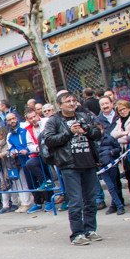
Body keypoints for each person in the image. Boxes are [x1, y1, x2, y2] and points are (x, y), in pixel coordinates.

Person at [41, 91, 103, 245]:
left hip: (88, 162)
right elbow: (48, 139)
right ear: (60, 105)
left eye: (74, 100)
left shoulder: (84, 116)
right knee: (75, 201)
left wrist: (86, 130)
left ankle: (90, 230)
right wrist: (69, 131)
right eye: (68, 101)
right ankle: (77, 234)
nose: (72, 103)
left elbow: (97, 133)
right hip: (69, 165)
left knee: (90, 200)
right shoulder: (54, 120)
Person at [95, 95, 126, 215]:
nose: (105, 106)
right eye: (102, 104)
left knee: (115, 184)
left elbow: (117, 148)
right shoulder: (98, 120)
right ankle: (117, 205)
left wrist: (112, 152)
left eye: (106, 103)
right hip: (102, 165)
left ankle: (117, 204)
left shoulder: (110, 137)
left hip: (112, 163)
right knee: (110, 186)